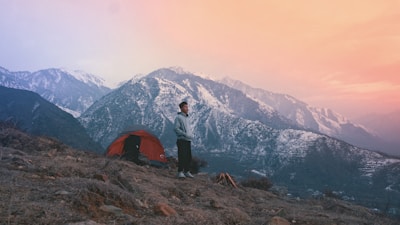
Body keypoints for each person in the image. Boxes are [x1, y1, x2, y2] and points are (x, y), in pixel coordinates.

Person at [174, 101, 194, 178]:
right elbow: (176, 128)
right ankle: (180, 172)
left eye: (187, 107)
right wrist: (184, 134)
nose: (187, 108)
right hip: (182, 140)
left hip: (188, 140)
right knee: (182, 156)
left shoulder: (187, 118)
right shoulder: (178, 118)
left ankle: (186, 171)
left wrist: (190, 135)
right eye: (185, 107)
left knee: (188, 156)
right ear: (181, 108)